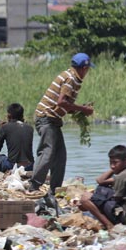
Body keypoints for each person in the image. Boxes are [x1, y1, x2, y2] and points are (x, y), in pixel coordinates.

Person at [28, 53, 95, 193]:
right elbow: (61, 102)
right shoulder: (70, 79)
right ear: (83, 68)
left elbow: (65, 106)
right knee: (48, 152)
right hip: (46, 118)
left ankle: (55, 189)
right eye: (87, 69)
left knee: (60, 155)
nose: (87, 72)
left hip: (54, 120)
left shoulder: (73, 78)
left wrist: (80, 111)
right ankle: (33, 185)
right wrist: (83, 109)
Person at [78, 145, 126, 230]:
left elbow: (116, 199)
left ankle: (109, 225)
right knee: (101, 189)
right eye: (110, 162)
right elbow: (100, 181)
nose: (112, 166)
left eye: (115, 162)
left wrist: (93, 203)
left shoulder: (122, 176)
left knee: (85, 199)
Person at [0, 103, 34, 173]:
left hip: (13, 165)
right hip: (30, 166)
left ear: (9, 115)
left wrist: (1, 130)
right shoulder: (30, 128)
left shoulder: (5, 127)